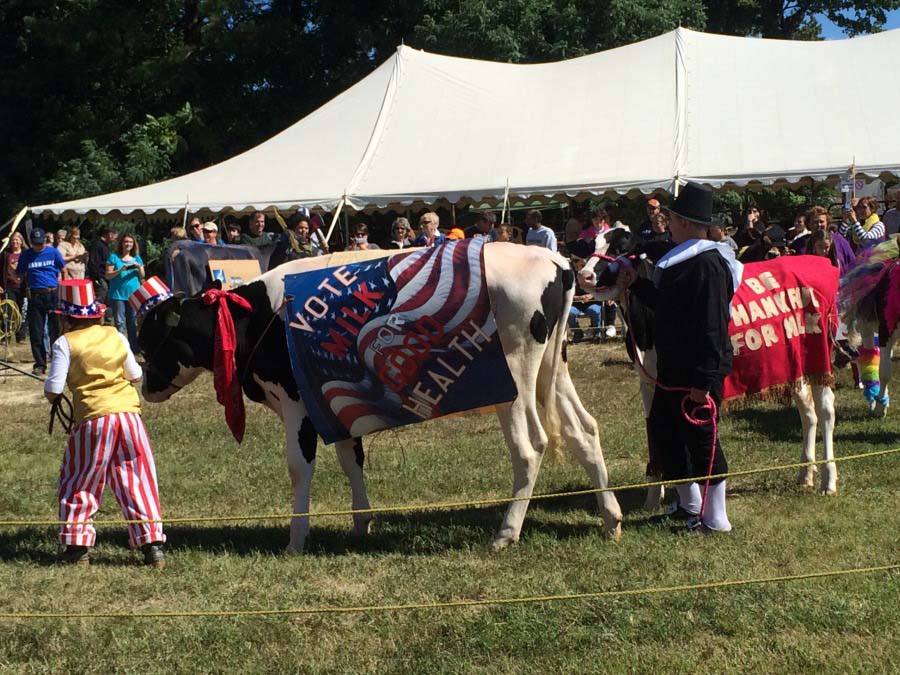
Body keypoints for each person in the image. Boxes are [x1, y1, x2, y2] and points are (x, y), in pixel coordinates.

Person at [616, 182, 742, 534]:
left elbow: (714, 328)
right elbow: (668, 308)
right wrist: (637, 287)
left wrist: (704, 381)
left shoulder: (709, 265)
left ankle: (716, 519)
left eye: (670, 218)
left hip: (697, 369)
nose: (666, 223)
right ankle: (688, 506)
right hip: (673, 366)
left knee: (702, 439)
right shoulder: (681, 260)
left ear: (684, 222)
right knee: (666, 431)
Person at [44, 279, 165, 567]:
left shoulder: (64, 343)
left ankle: (77, 546)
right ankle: (152, 544)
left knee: (80, 478)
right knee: (137, 479)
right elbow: (134, 374)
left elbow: (53, 389)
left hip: (93, 419)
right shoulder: (116, 334)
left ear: (66, 317)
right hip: (128, 416)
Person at [16, 228, 66, 374]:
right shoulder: (26, 255)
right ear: (31, 242)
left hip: (52, 294)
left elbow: (63, 269)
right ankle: (40, 363)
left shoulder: (53, 252)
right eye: (36, 244)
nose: (39, 246)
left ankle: (59, 362)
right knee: (36, 332)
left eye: (41, 243)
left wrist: (63, 287)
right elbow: (19, 272)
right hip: (35, 295)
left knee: (55, 330)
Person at [105, 233, 145, 354]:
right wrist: (120, 270)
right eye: (126, 242)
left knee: (132, 322)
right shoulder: (113, 257)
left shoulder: (137, 257)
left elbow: (142, 276)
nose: (128, 244)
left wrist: (139, 267)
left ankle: (134, 347)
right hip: (117, 295)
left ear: (134, 245)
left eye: (130, 242)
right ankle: (120, 348)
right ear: (121, 243)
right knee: (119, 322)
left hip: (133, 295)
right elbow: (107, 275)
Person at [1, 231, 28, 342]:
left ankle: (20, 336)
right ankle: (6, 335)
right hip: (9, 286)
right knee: (8, 311)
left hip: (23, 287)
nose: (15, 241)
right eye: (13, 240)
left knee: (22, 311)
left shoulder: (26, 254)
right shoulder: (5, 254)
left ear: (21, 241)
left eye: (17, 239)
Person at [86, 226, 117, 307]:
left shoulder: (105, 246)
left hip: (104, 276)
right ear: (110, 235)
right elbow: (93, 262)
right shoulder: (97, 245)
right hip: (99, 277)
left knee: (106, 296)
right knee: (101, 294)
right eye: (115, 237)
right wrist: (97, 277)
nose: (114, 240)